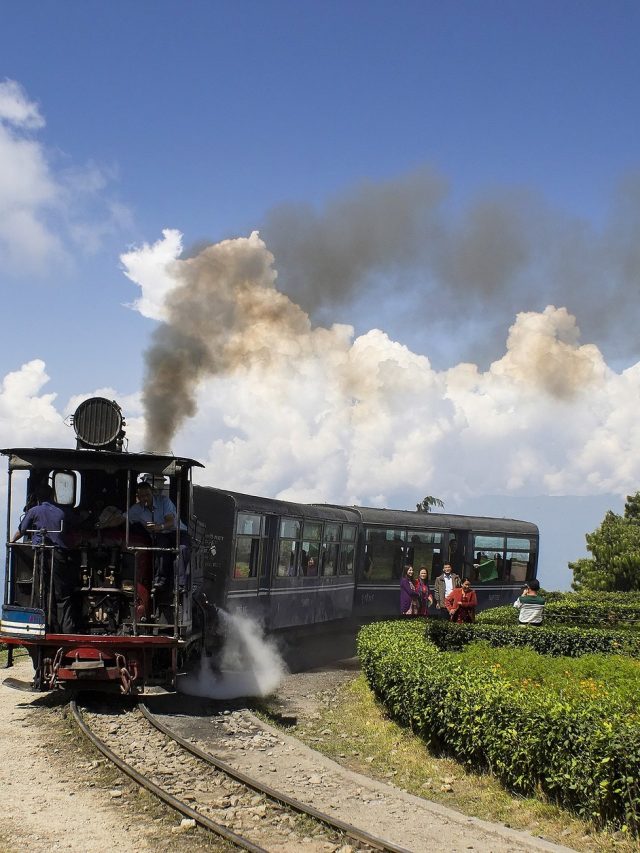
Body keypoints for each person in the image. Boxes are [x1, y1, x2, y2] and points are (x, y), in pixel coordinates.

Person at [10, 483, 77, 633]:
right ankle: (67, 630)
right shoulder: (63, 511)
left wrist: (12, 541)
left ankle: (47, 627)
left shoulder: (34, 511)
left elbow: (21, 530)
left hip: (41, 555)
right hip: (59, 555)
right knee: (62, 594)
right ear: (53, 495)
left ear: (38, 497)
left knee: (44, 591)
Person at [126, 482, 190, 592]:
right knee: (160, 548)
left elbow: (170, 521)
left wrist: (159, 527)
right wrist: (102, 524)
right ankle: (159, 581)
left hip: (177, 531)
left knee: (183, 549)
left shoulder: (164, 501)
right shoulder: (136, 509)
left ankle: (181, 584)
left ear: (153, 493)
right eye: (142, 496)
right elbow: (122, 518)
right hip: (161, 534)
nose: (145, 498)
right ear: (138, 497)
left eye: (147, 495)